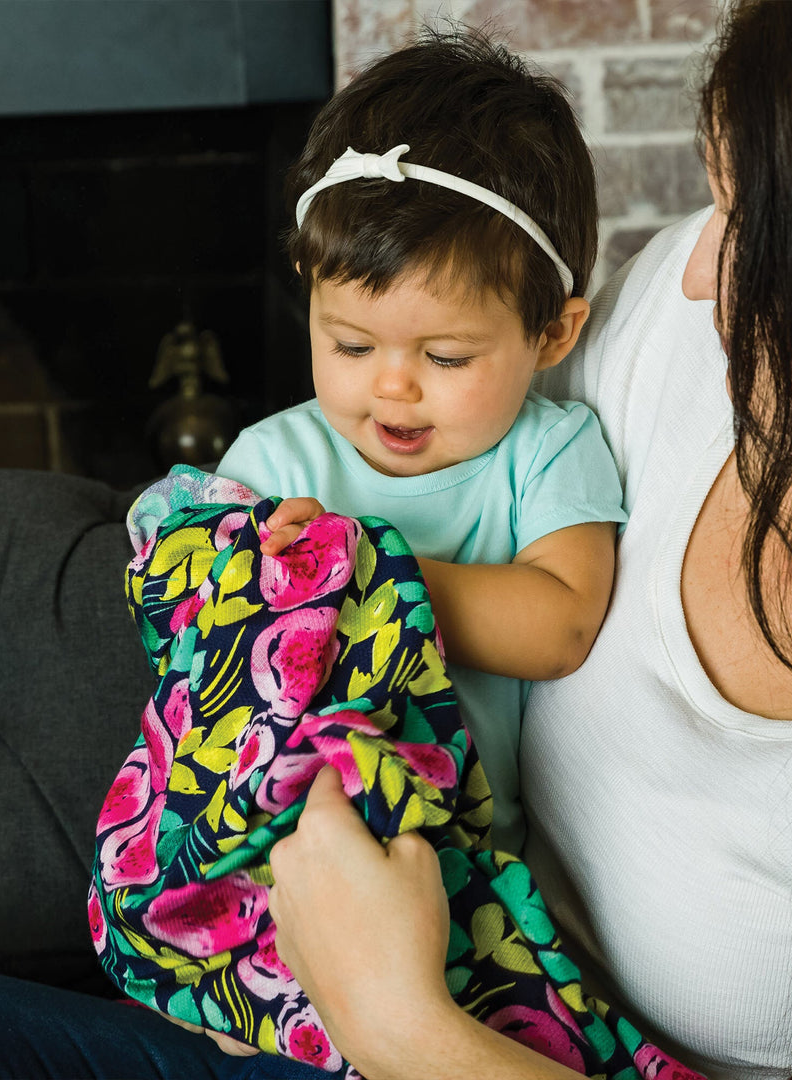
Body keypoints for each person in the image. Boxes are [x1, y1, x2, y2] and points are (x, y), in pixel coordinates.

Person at [0, 2, 792, 1078]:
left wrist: (397, 1020)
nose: (693, 269)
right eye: (713, 196)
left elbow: (541, 593)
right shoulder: (678, 339)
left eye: (747, 224)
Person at [213, 30, 625, 859]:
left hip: (469, 859)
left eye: (444, 357)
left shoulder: (547, 452)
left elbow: (562, 627)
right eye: (352, 347)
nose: (391, 386)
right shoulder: (272, 464)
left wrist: (358, 571)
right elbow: (220, 647)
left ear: (551, 335)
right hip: (284, 844)